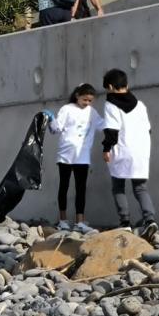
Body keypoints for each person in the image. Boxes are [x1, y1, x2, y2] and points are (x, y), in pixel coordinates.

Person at [101, 68, 155, 234]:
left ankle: (125, 222)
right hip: (141, 150)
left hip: (122, 149)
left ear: (110, 86)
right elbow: (148, 129)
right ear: (127, 84)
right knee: (140, 188)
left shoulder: (110, 105)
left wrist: (106, 148)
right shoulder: (140, 105)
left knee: (118, 187)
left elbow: (112, 129)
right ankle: (150, 219)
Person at [45, 83, 102, 233]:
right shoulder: (67, 109)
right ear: (77, 96)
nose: (87, 103)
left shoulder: (92, 112)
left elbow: (103, 125)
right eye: (85, 100)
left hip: (83, 157)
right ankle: (63, 220)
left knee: (81, 189)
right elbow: (56, 128)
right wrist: (51, 120)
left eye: (90, 101)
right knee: (64, 186)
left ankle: (80, 222)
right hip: (66, 155)